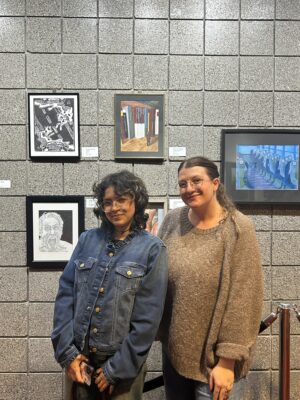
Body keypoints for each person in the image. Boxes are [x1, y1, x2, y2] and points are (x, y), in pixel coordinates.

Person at [51, 170, 168, 400]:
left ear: (137, 202)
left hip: (122, 371)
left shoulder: (153, 249)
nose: (115, 207)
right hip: (79, 362)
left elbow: (148, 320)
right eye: (108, 202)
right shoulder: (87, 240)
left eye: (122, 200)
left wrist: (117, 369)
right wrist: (67, 354)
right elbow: (65, 296)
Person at [158, 156, 263, 400]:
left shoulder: (238, 227)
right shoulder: (173, 220)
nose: (189, 189)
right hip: (174, 353)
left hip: (215, 362)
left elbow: (244, 298)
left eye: (196, 181)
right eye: (183, 184)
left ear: (215, 183)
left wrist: (227, 362)